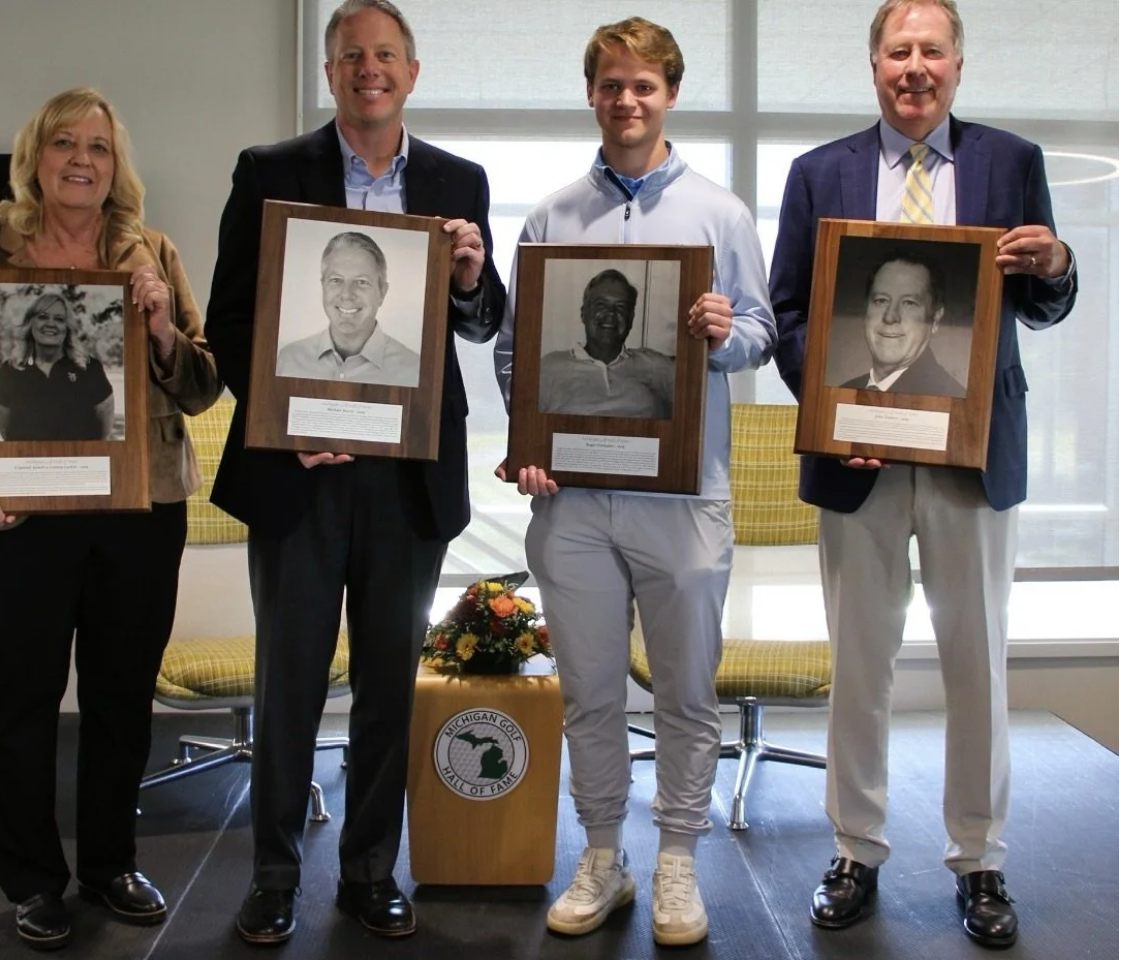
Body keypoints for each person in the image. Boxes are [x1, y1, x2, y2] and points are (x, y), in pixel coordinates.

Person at [768, 0, 1077, 949]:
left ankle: (979, 859)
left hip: (971, 461)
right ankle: (856, 847)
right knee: (860, 665)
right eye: (897, 50)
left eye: (930, 51)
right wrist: (832, 411)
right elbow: (788, 316)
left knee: (975, 664)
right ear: (873, 65)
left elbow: (1041, 306)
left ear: (956, 65)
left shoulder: (1008, 163)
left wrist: (1056, 263)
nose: (915, 67)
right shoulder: (818, 173)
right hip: (857, 460)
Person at [204, 0, 505, 945]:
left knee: (388, 683)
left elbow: (482, 321)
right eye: (350, 57)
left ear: (411, 72)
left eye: (384, 56)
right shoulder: (269, 172)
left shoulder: (459, 179)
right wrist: (281, 420)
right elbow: (231, 321)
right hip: (297, 469)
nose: (367, 70)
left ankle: (372, 871)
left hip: (408, 474)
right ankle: (274, 875)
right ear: (329, 72)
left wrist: (468, 278)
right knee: (288, 680)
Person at [0, 86, 221, 951]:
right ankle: (32, 880)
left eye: (99, 146)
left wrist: (160, 327)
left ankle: (112, 863)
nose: (82, 159)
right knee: (22, 699)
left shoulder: (150, 251)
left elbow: (202, 386)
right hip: (15, 519)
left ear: (117, 167)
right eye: (64, 144)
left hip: (138, 508)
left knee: (122, 696)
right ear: (34, 158)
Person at [494, 17, 775, 948]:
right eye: (611, 84)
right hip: (570, 503)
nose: (627, 101)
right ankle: (604, 856)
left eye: (643, 86)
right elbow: (512, 356)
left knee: (688, 693)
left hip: (684, 499)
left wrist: (720, 330)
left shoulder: (722, 214)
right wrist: (529, 442)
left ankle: (680, 862)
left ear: (669, 94)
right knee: (591, 693)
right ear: (592, 94)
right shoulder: (550, 217)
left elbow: (761, 339)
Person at [275, 230, 420, 385]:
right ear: (323, 286)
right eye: (336, 280)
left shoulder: (413, 370)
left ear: (382, 292)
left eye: (361, 282)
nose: (346, 294)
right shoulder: (287, 361)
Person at [538, 268, 675, 417]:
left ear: (630, 319)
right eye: (601, 305)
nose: (610, 314)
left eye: (620, 307)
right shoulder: (549, 368)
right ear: (584, 313)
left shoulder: (656, 366)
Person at [838, 250, 965, 397]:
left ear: (935, 319)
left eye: (909, 303)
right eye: (881, 300)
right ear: (866, 309)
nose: (890, 317)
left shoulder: (950, 399)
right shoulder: (842, 394)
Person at [0, 291, 117, 440]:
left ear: (68, 327)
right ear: (30, 323)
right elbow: (7, 432)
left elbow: (105, 432)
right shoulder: (10, 371)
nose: (50, 324)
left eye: (59, 319)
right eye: (42, 317)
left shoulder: (90, 369)